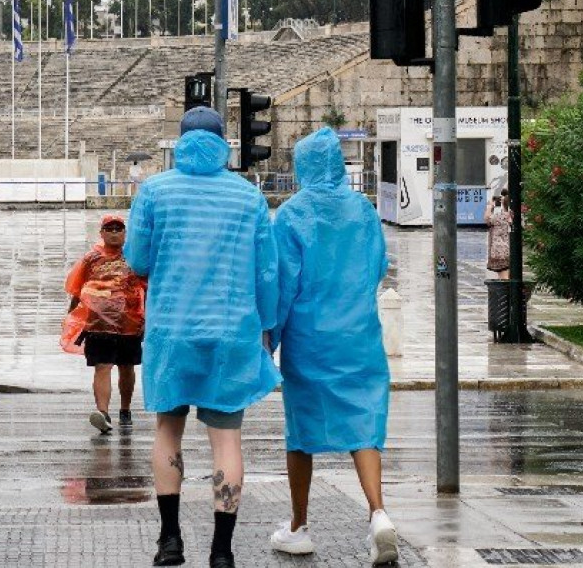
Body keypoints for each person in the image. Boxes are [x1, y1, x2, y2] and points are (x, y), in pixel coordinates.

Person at [124, 105, 280, 568]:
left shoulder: (154, 192)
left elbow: (136, 260)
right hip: (230, 334)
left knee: (167, 431)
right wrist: (266, 328)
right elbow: (266, 271)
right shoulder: (246, 196)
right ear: (223, 143)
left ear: (181, 141)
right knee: (226, 441)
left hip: (172, 332)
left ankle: (170, 540)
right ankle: (221, 551)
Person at [267, 127, 398, 565]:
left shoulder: (290, 215)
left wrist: (271, 339)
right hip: (359, 333)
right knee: (364, 424)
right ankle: (378, 514)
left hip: (309, 338)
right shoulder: (363, 210)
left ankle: (299, 525)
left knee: (301, 431)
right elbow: (379, 265)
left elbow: (281, 285)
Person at [64, 214, 147, 434]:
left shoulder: (135, 258)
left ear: (124, 233)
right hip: (97, 324)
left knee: (126, 368)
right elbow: (76, 288)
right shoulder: (91, 258)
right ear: (101, 233)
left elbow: (147, 287)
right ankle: (103, 413)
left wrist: (148, 317)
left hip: (130, 324)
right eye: (109, 229)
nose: (113, 232)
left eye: (118, 229)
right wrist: (72, 315)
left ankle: (125, 409)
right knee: (102, 366)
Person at [485, 189, 512, 280]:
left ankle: (506, 294)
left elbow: (487, 219)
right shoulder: (513, 215)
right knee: (508, 275)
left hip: (500, 250)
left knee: (503, 277)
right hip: (511, 249)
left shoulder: (499, 217)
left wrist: (490, 206)